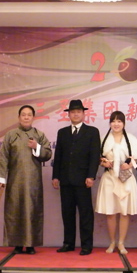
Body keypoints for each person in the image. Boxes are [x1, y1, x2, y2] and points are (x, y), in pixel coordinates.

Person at [0, 105, 52, 255]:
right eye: (23, 115)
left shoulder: (39, 135)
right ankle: (17, 244)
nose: (26, 117)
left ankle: (31, 244)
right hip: (15, 181)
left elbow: (48, 154)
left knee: (32, 211)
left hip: (33, 182)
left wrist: (37, 147)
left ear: (33, 117)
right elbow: (3, 157)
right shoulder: (11, 135)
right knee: (15, 211)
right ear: (19, 117)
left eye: (29, 115)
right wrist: (1, 178)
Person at [52, 99, 101, 255]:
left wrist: (91, 176)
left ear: (83, 114)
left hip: (83, 180)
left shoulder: (92, 132)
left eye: (78, 111)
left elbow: (94, 156)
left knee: (85, 213)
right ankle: (68, 243)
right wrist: (55, 176)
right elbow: (58, 156)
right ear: (69, 114)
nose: (75, 114)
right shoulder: (62, 132)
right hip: (65, 179)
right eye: (73, 112)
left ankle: (86, 245)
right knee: (67, 213)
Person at [95, 111, 137, 254]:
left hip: (125, 178)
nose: (116, 124)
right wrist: (103, 163)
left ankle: (121, 243)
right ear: (110, 123)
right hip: (109, 178)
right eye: (113, 121)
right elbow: (98, 157)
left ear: (124, 123)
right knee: (110, 212)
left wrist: (129, 164)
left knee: (124, 212)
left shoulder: (131, 138)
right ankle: (112, 242)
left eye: (119, 121)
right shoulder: (103, 139)